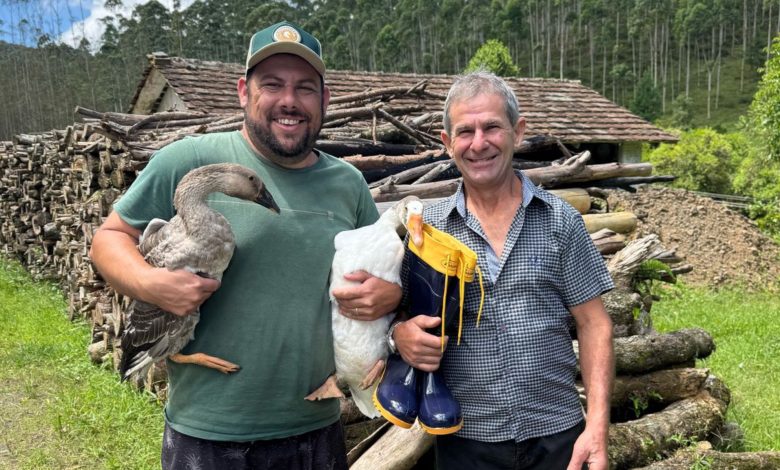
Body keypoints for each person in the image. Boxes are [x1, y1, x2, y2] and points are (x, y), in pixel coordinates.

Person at [90, 20, 400, 469]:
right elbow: (110, 238)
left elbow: (382, 272)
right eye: (272, 84)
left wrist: (389, 295)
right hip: (209, 437)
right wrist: (148, 283)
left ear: (325, 99)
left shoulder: (347, 184)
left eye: (305, 88)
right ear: (243, 92)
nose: (289, 101)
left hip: (315, 432)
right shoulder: (189, 160)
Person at [391, 71, 615, 470]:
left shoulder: (560, 221)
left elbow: (594, 324)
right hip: (466, 440)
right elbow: (398, 316)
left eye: (492, 126)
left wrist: (596, 426)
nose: (479, 143)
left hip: (558, 435)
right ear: (447, 144)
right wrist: (399, 336)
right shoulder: (426, 232)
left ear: (518, 132)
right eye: (465, 131)